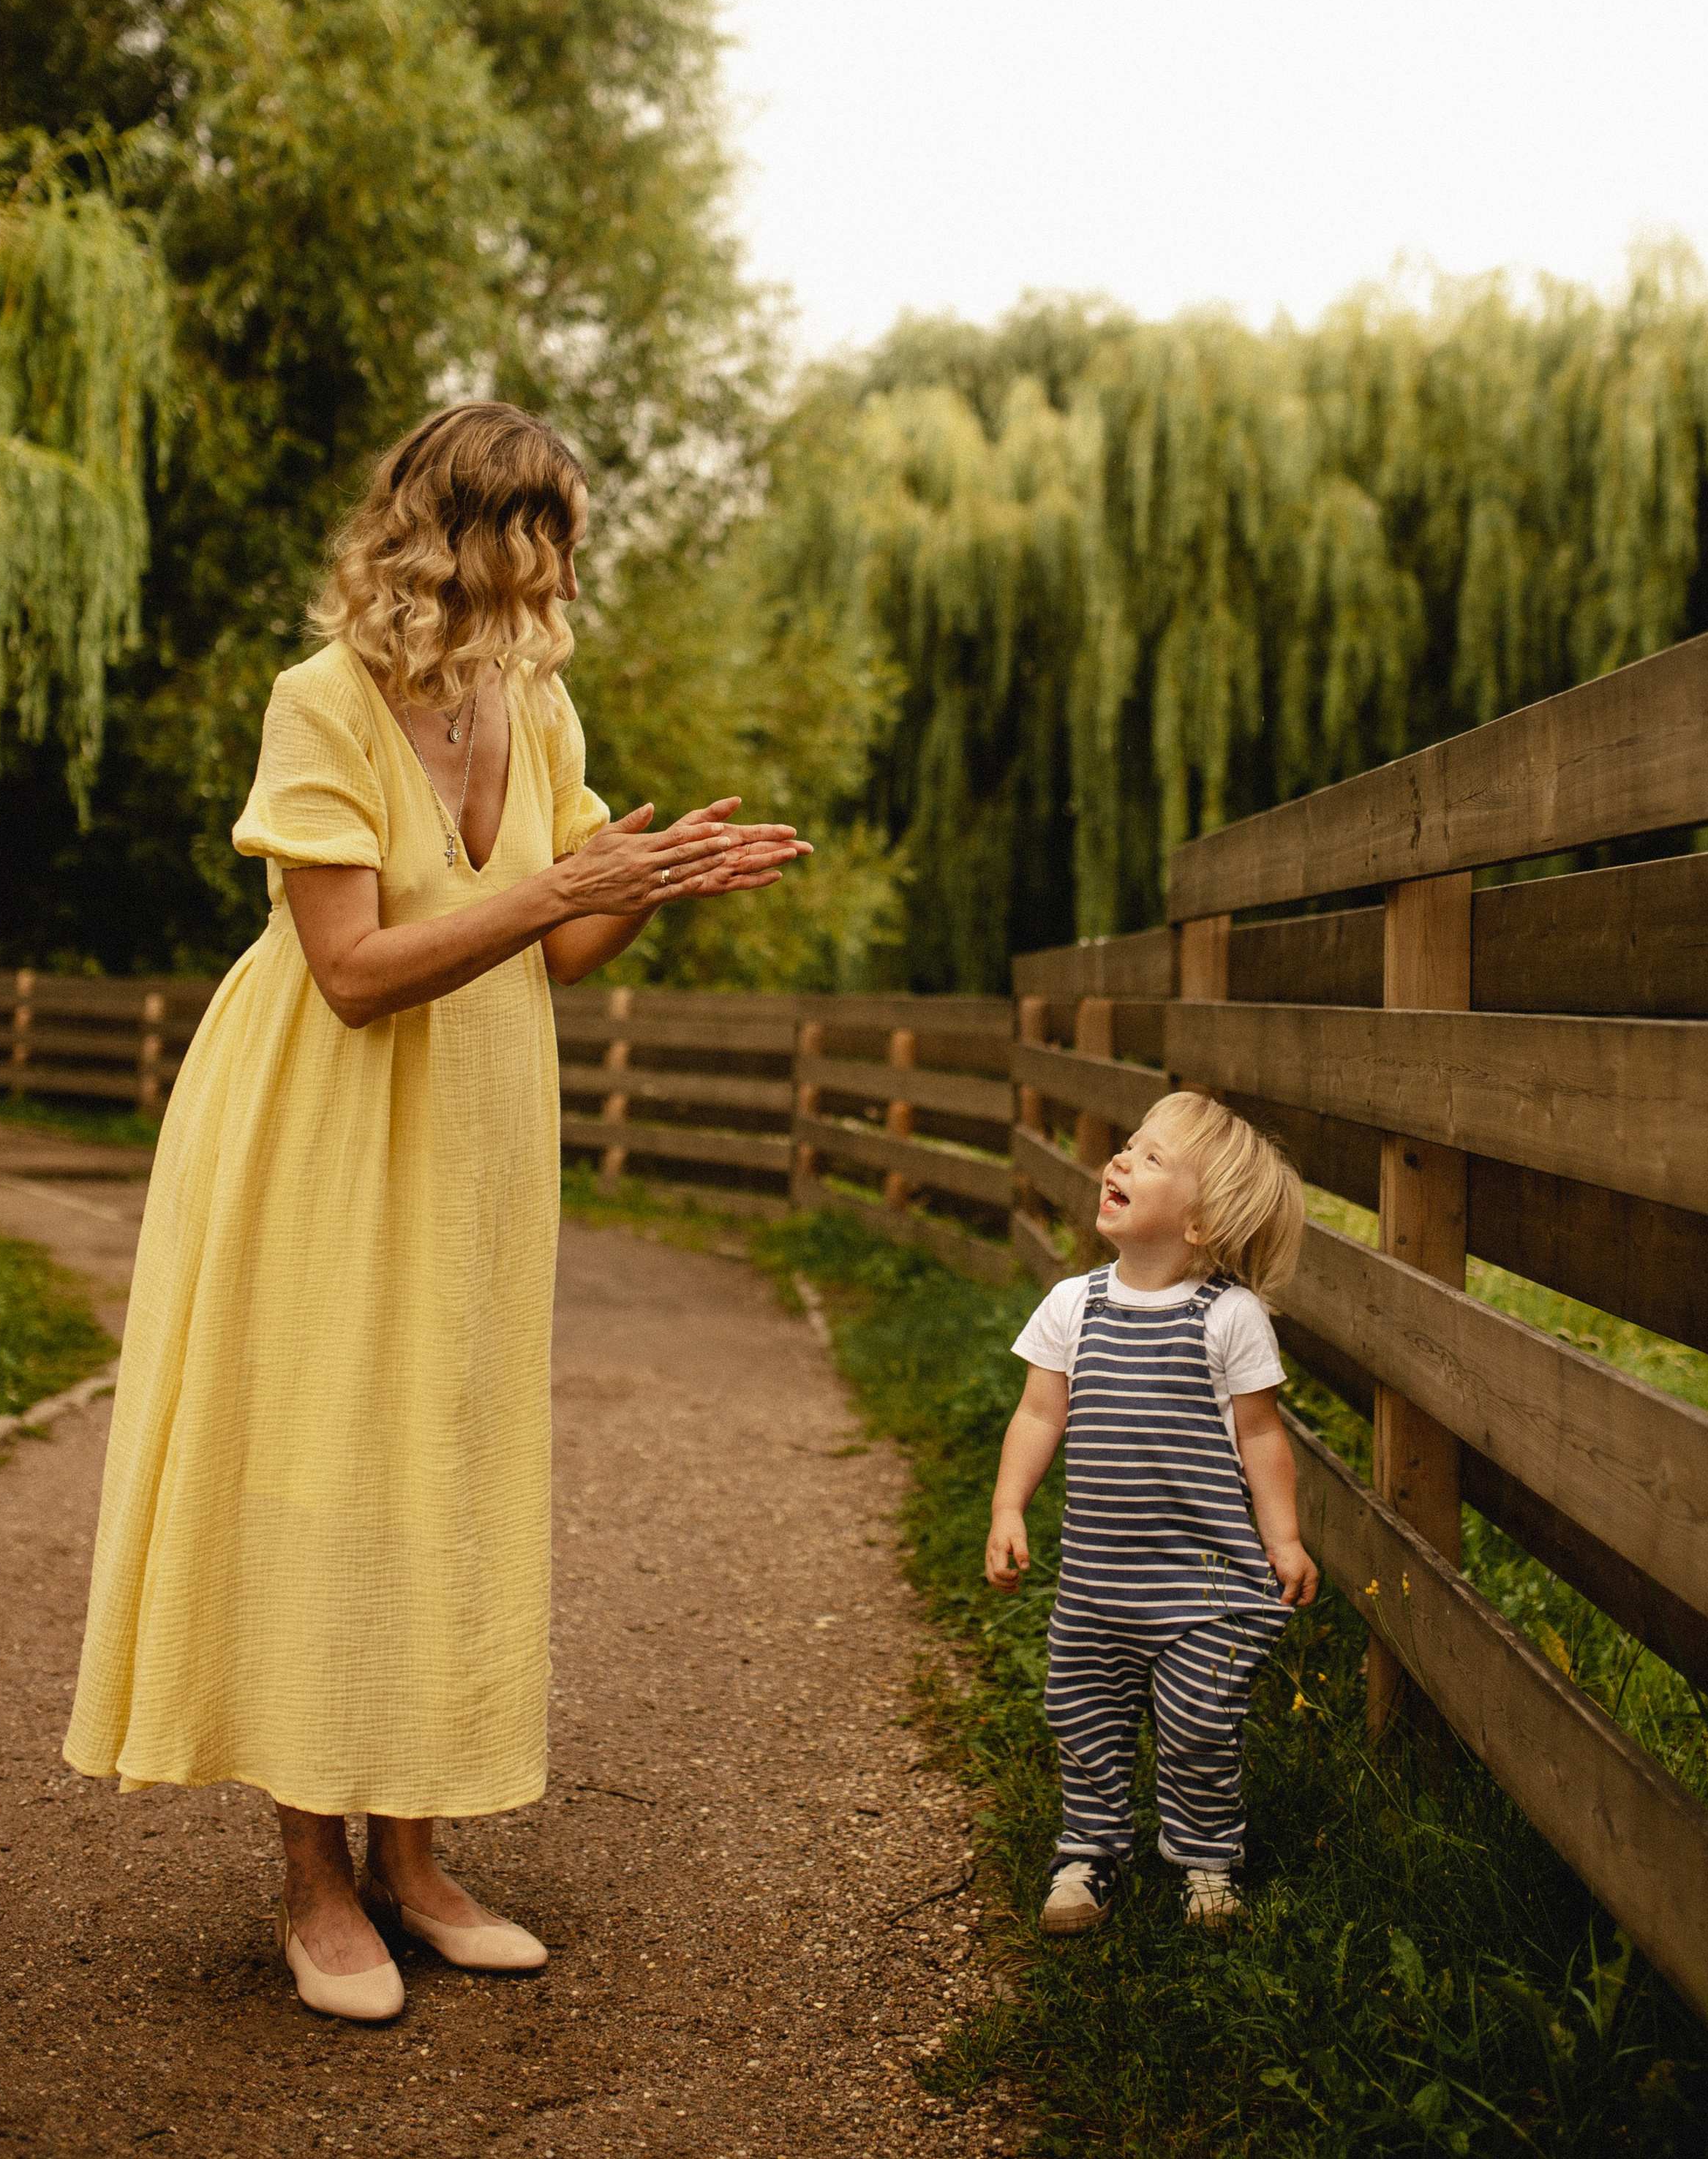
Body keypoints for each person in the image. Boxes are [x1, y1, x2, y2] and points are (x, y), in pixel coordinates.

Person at [64, 402, 810, 2023]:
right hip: (317, 1132)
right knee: (326, 1464)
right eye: (539, 530)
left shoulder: (528, 699)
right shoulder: (319, 703)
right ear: (459, 534)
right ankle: (312, 1878)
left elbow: (556, 948)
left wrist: (644, 882)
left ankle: (415, 1858)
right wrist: (559, 885)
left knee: (441, 1466)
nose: (559, 566)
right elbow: (347, 975)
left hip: (476, 1132)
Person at [984, 1091, 1314, 1934]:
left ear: (1201, 1222)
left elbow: (1262, 1435)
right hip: (1098, 1583)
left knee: (1201, 1726)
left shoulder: (1229, 1318)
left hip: (1203, 1585)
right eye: (1127, 1146)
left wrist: (1282, 1538)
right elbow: (1037, 1415)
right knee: (1083, 1716)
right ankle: (1086, 1853)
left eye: (1152, 1157)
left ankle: (1206, 1862)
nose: (1121, 1161)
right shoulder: (1072, 1304)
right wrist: (1008, 1506)